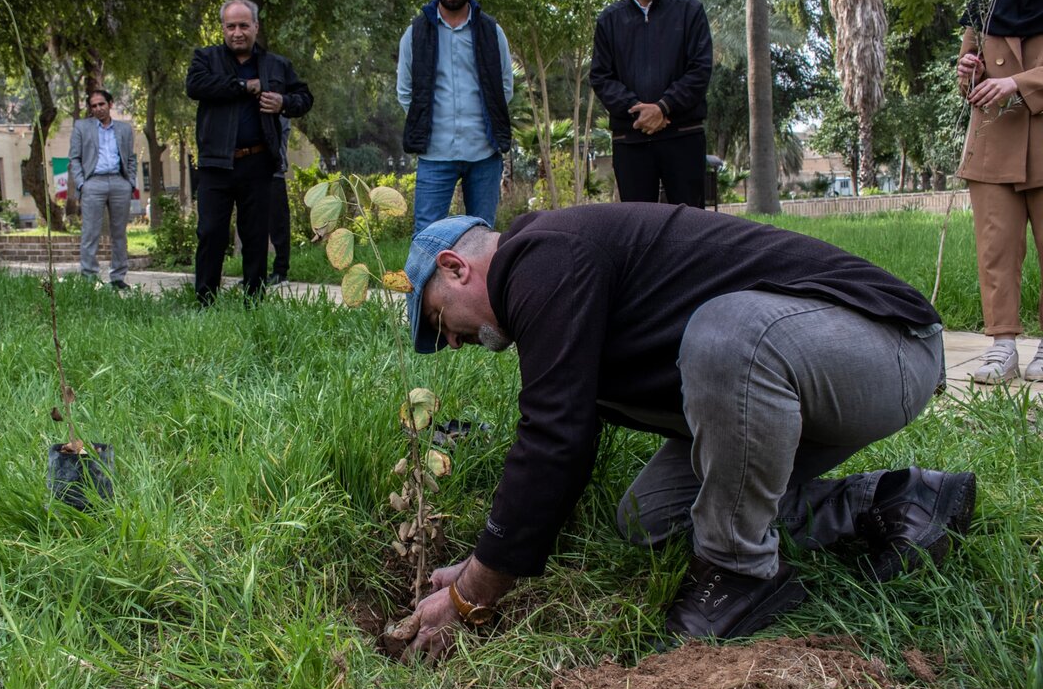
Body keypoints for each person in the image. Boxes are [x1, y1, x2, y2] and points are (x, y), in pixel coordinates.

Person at [391, 205, 976, 661]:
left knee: (727, 333)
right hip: (797, 387)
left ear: (454, 267)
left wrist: (474, 590)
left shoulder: (541, 256)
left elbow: (555, 435)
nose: (450, 341)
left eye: (439, 320)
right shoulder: (553, 272)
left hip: (889, 348)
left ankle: (739, 574)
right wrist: (490, 558)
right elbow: (562, 429)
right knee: (650, 517)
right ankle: (896, 501)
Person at [955, 0, 1043, 383]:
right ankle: (1002, 347)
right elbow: (967, 76)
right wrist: (968, 71)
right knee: (995, 250)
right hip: (993, 142)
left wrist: (1019, 83)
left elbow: (1013, 79)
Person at [186, 0, 313, 305]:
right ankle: (205, 301)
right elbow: (196, 86)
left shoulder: (276, 65)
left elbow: (304, 97)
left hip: (258, 161)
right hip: (216, 163)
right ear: (223, 29)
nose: (238, 32)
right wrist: (245, 86)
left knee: (255, 236)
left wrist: (283, 103)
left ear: (256, 26)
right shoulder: (206, 58)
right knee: (210, 232)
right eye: (231, 26)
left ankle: (253, 301)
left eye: (244, 25)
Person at [397, 0, 514, 234]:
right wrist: (426, 125)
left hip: (484, 153)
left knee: (482, 236)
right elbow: (405, 92)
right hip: (435, 154)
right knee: (426, 236)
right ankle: (424, 282)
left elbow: (505, 87)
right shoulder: (416, 33)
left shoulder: (491, 31)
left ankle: (480, 282)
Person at [590, 0, 712, 207]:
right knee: (638, 228)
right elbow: (601, 76)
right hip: (631, 139)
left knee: (692, 225)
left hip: (683, 136)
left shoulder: (689, 11)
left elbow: (700, 69)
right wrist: (637, 108)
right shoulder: (610, 19)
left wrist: (663, 107)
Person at [67, 89, 137, 289]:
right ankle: (89, 276)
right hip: (93, 183)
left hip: (119, 182)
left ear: (110, 104)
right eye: (94, 105)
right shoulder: (81, 127)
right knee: (90, 232)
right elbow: (74, 158)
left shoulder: (124, 129)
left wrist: (130, 182)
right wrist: (82, 184)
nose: (98, 108)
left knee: (119, 233)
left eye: (101, 104)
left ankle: (118, 278)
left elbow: (130, 158)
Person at [267, 116, 293, 287]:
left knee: (279, 224)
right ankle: (256, 273)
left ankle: (280, 272)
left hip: (274, 172)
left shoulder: (279, 110)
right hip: (254, 173)